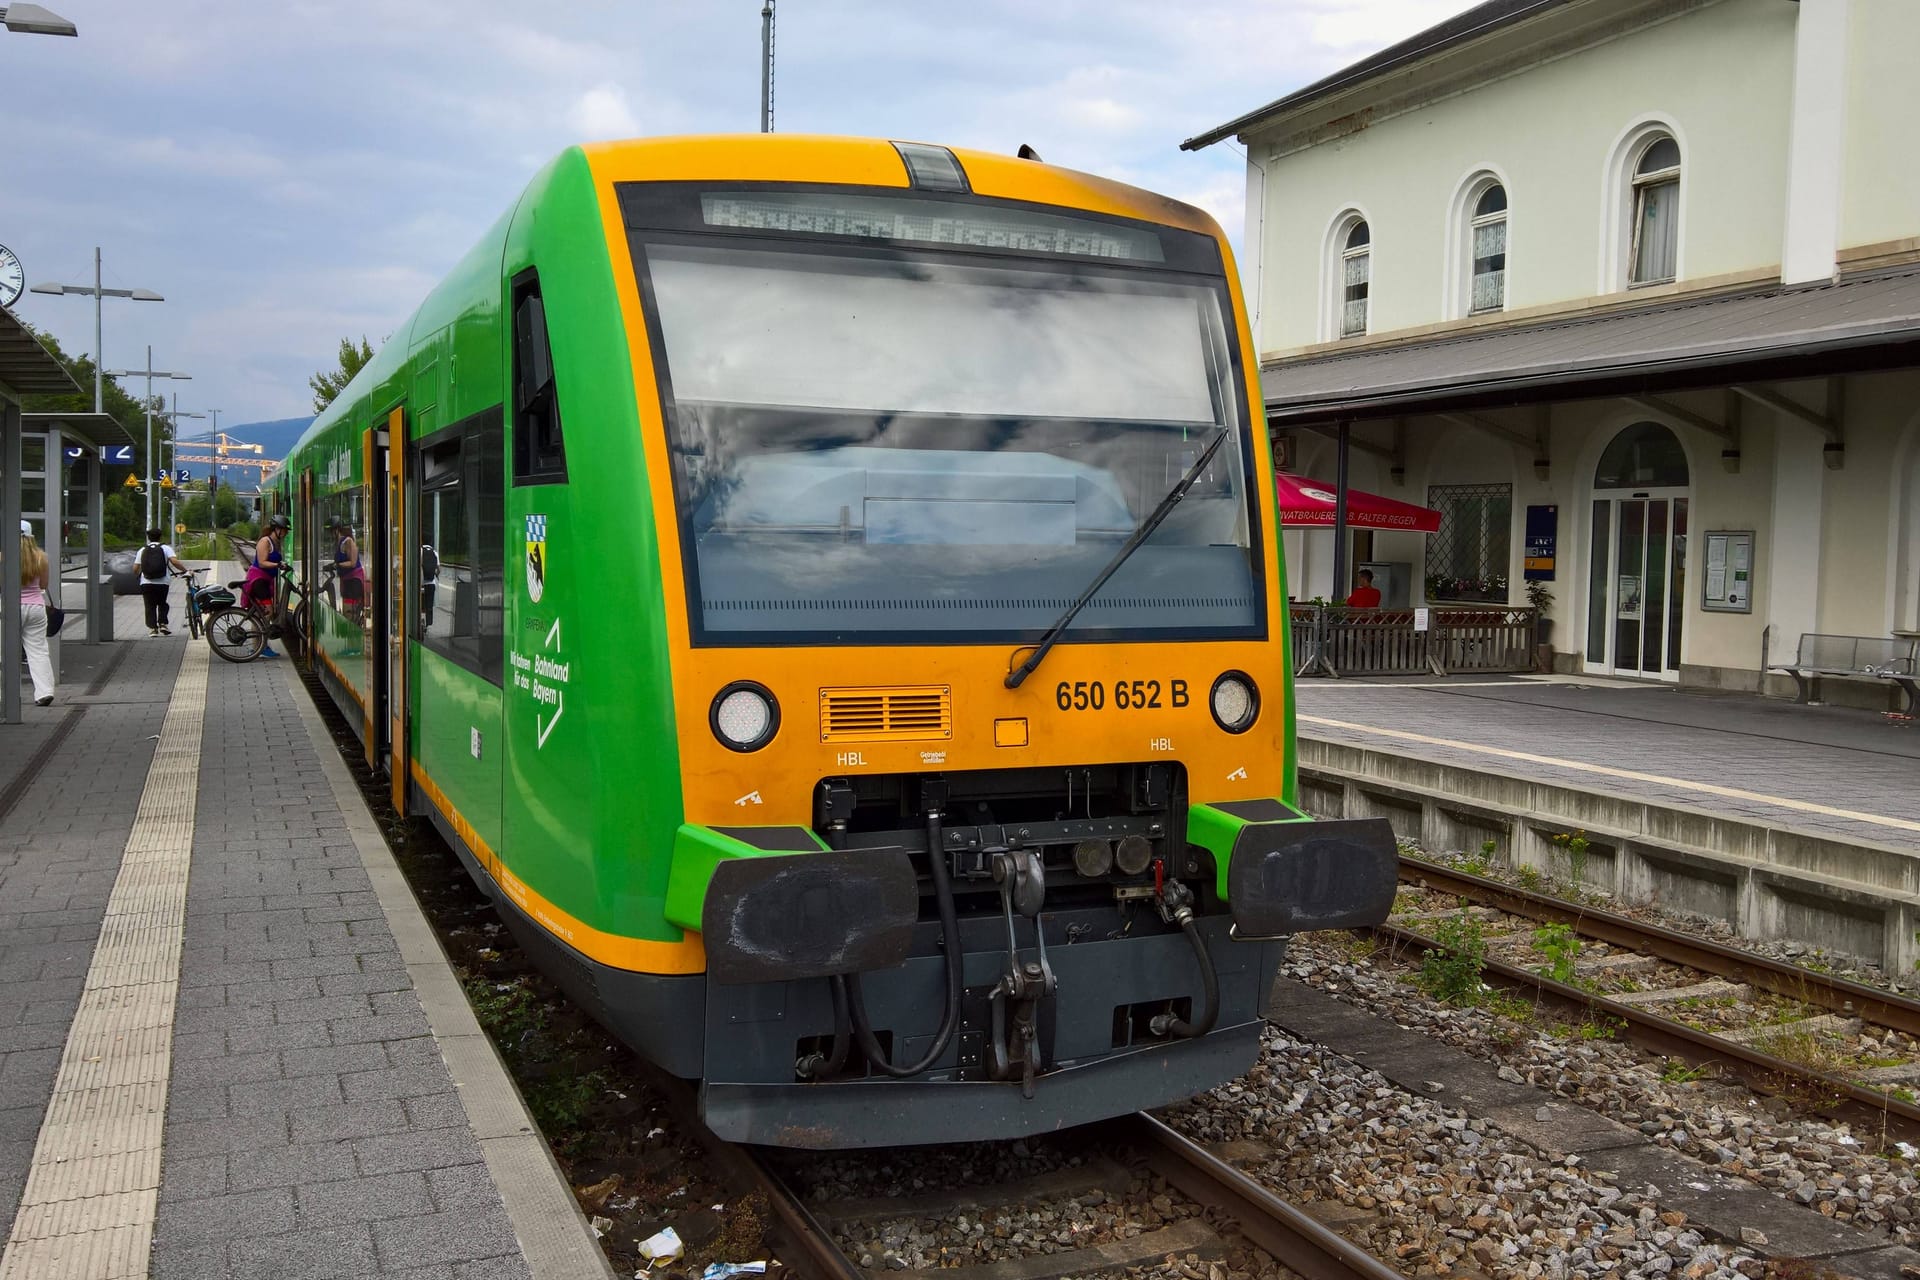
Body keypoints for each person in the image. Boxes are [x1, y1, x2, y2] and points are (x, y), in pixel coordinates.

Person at [17, 523, 55, 706]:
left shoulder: (4, 556)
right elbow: (43, 585)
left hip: (10, 608)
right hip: (36, 608)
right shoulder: (41, 557)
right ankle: (44, 692)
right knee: (38, 651)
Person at [245, 513, 290, 657]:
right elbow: (262, 562)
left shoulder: (275, 542)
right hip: (258, 581)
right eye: (284, 529)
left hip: (266, 581)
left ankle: (259, 646)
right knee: (266, 612)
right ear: (276, 529)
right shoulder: (265, 541)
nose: (285, 532)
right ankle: (260, 647)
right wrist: (278, 564)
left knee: (260, 614)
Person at [137, 527, 187, 636]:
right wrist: (185, 570)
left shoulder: (142, 550)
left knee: (149, 605)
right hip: (163, 582)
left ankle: (153, 629)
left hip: (146, 583)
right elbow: (174, 562)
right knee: (162, 603)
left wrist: (139, 575)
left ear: (148, 538)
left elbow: (135, 568)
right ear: (160, 537)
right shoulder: (166, 548)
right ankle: (163, 624)